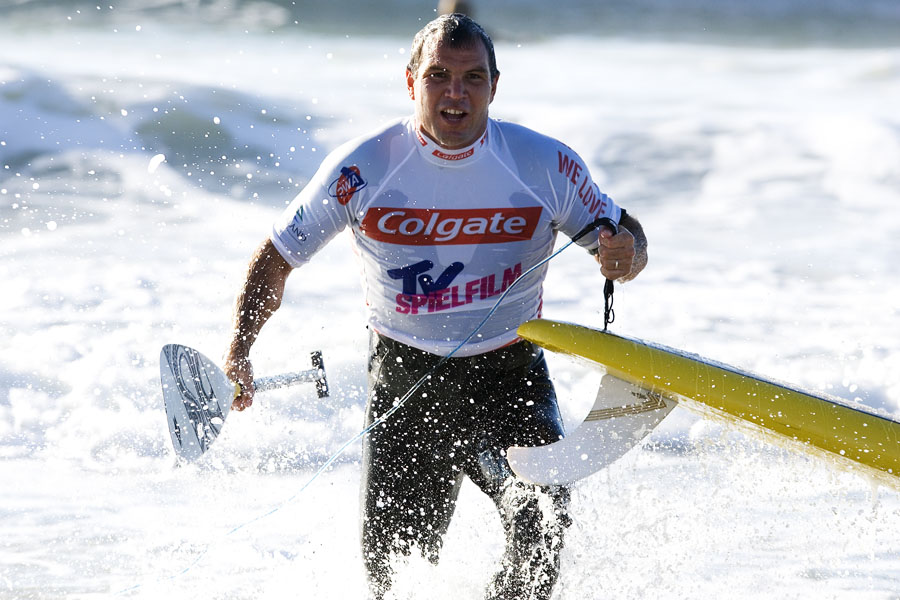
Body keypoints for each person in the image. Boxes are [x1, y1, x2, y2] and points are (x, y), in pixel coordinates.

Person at [224, 13, 647, 600]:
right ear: (411, 82)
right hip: (406, 381)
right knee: (392, 577)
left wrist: (624, 255)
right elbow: (276, 257)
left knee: (542, 524)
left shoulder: (543, 164)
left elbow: (624, 236)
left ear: (494, 86)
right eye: (438, 76)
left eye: (473, 78)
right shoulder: (365, 166)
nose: (456, 93)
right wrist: (240, 348)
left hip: (510, 375)